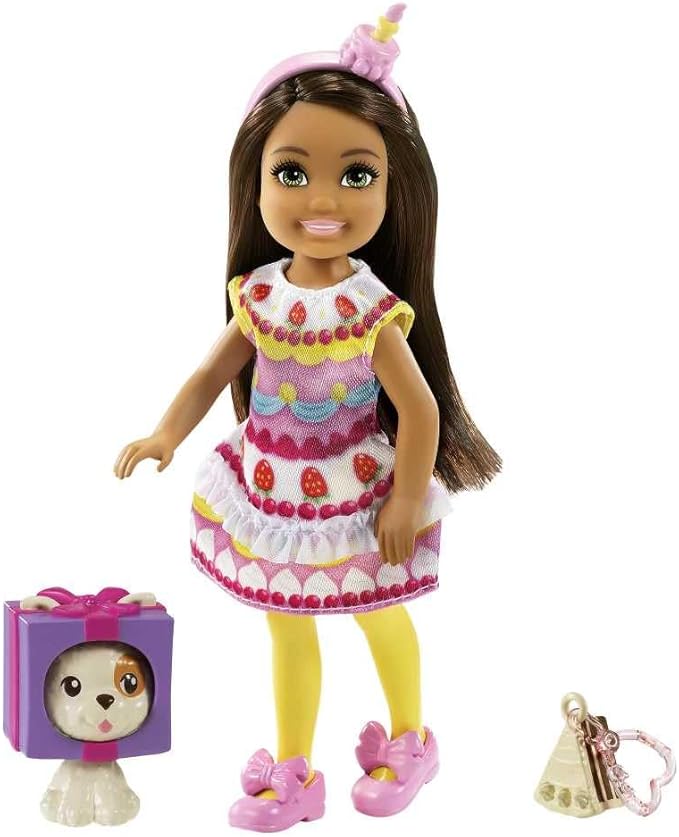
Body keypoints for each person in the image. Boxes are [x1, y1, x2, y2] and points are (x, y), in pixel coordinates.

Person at [114, 5, 500, 831]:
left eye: (356, 177)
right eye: (292, 173)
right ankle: (295, 769)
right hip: (274, 493)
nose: (322, 199)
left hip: (354, 498)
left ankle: (410, 737)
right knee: (286, 625)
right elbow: (212, 370)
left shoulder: (369, 308)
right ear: (254, 181)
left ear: (393, 189)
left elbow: (419, 407)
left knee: (375, 610)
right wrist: (165, 433)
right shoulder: (257, 293)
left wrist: (405, 497)